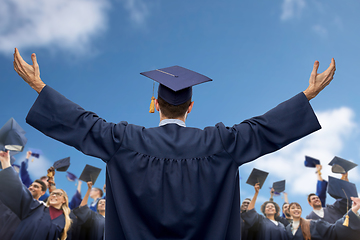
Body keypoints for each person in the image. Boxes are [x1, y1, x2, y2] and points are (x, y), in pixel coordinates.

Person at [13, 47, 335, 240]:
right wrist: (307, 95)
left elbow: (82, 123)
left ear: (156, 103)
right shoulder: (221, 142)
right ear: (190, 107)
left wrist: (39, 85)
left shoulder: (123, 140)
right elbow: (263, 129)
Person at [0, 150, 72, 240]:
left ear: (64, 199)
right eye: (52, 194)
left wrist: (51, 181)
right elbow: (18, 190)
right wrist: (5, 162)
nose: (53, 195)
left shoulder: (66, 221)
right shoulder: (35, 208)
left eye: (58, 194)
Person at [286, 200, 360, 240]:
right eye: (293, 208)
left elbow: (333, 230)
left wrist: (352, 211)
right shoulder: (286, 230)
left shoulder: (313, 224)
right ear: (288, 211)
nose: (296, 209)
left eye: (298, 208)